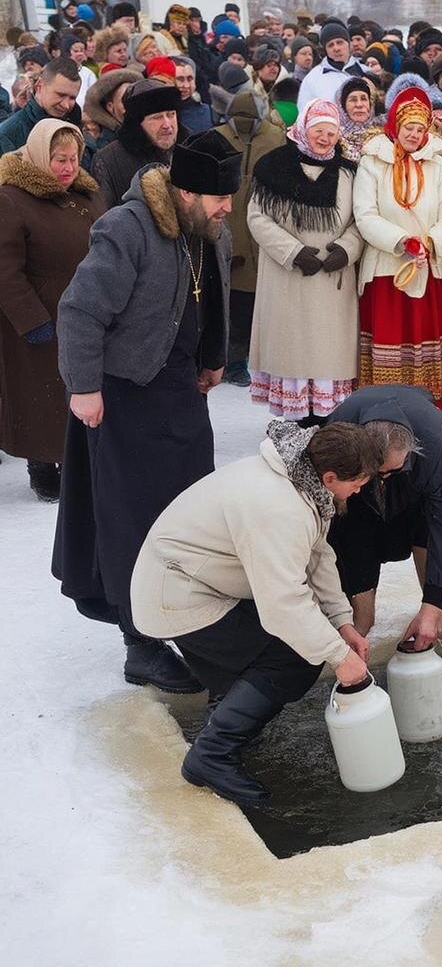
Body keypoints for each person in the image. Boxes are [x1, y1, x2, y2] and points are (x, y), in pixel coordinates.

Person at [53, 131, 240, 694]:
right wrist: (84, 387)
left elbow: (212, 298)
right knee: (132, 522)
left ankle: (183, 616)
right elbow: (79, 311)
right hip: (124, 398)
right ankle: (140, 644)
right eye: (219, 198)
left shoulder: (209, 230)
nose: (227, 208)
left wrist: (213, 359)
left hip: (182, 394)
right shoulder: (127, 229)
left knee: (190, 515)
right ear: (186, 192)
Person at [130, 420, 379, 806]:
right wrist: (338, 656)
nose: (360, 491)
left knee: (290, 642)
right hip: (178, 595)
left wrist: (341, 623)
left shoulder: (302, 478)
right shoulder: (279, 507)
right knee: (295, 658)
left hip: (200, 580)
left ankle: (227, 710)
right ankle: (211, 755)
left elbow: (316, 555)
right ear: (330, 477)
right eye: (358, 483)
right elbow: (284, 606)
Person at [0, 120, 106, 500]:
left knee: (83, 390)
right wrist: (31, 320)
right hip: (41, 316)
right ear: (40, 156)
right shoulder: (12, 199)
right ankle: (42, 464)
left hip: (87, 314)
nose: (68, 167)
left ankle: (79, 459)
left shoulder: (87, 195)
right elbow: (5, 270)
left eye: (74, 159)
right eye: (59, 159)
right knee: (42, 397)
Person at [247, 99, 363, 422]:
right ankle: (296, 415)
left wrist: (346, 249)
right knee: (292, 349)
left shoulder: (349, 173)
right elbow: (257, 218)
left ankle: (327, 416)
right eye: (318, 131)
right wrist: (293, 252)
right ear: (302, 129)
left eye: (331, 132)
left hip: (331, 280)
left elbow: (359, 220)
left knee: (328, 350)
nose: (325, 138)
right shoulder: (273, 166)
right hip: (288, 279)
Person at [327, 384, 442, 650]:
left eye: (392, 471)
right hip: (357, 496)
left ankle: (436, 604)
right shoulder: (339, 433)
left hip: (416, 483)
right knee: (361, 620)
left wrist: (433, 604)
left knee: (428, 520)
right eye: (379, 473)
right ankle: (360, 614)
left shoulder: (432, 447)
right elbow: (330, 520)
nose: (385, 478)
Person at [353, 86, 442, 407]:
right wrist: (402, 241)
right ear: (395, 127)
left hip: (429, 267)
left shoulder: (438, 165)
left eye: (420, 129)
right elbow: (365, 214)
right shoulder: (373, 162)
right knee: (391, 339)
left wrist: (431, 241)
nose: (414, 135)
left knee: (424, 340)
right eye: (408, 128)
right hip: (387, 270)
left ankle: (426, 407)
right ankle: (385, 406)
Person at [213, 89, 286, 386]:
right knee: (234, 302)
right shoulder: (217, 138)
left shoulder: (276, 137)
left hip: (264, 225)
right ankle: (232, 360)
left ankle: (253, 360)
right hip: (227, 224)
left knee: (257, 300)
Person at [91, 80, 181, 208]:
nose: (167, 125)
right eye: (157, 117)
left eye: (171, 115)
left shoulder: (189, 150)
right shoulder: (108, 161)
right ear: (137, 123)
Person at [0, 58, 91, 163]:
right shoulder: (8, 134)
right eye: (60, 95)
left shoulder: (76, 126)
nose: (66, 105)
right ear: (39, 86)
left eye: (72, 98)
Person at [297, 23, 358, 108]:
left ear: (348, 44)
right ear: (325, 50)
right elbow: (304, 111)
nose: (336, 48)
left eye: (340, 43)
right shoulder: (313, 78)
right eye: (330, 45)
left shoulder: (364, 71)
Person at [82, 67, 141, 150]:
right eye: (125, 100)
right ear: (110, 106)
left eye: (135, 98)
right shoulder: (101, 143)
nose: (132, 104)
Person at [335, 77, 384, 161]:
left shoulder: (383, 136)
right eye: (353, 100)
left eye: (364, 99)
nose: (359, 105)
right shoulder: (333, 138)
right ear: (343, 106)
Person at [171, 56, 213, 135]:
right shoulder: (161, 115)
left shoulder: (206, 111)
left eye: (190, 79)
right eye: (180, 79)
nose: (186, 85)